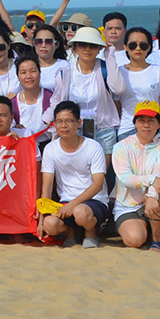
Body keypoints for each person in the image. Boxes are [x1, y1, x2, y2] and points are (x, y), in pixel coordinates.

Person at [37, 101, 109, 247]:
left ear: (79, 123)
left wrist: (73, 204)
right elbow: (47, 185)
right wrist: (42, 217)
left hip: (94, 200)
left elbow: (98, 184)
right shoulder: (51, 149)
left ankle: (92, 232)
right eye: (59, 121)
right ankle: (71, 231)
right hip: (65, 202)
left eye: (69, 121)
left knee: (80, 212)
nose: (64, 126)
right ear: (54, 124)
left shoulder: (93, 147)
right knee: (50, 224)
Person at [111, 102, 160, 250]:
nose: (146, 125)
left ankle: (157, 240)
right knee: (134, 240)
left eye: (151, 121)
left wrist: (151, 196)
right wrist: (151, 180)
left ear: (159, 124)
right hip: (128, 205)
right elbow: (125, 178)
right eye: (141, 121)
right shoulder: (121, 147)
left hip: (157, 202)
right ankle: (143, 227)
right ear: (135, 124)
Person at [60, 29, 120, 151]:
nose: (87, 49)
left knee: (102, 170)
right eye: (82, 45)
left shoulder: (105, 69)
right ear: (75, 48)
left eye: (93, 45)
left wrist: (110, 56)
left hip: (104, 130)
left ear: (99, 49)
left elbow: (118, 89)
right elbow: (58, 102)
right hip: (75, 131)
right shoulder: (64, 73)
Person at [9, 52, 56, 142]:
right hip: (24, 148)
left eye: (33, 71)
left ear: (39, 73)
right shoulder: (13, 104)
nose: (29, 76)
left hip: (48, 145)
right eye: (23, 72)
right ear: (18, 76)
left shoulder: (52, 98)